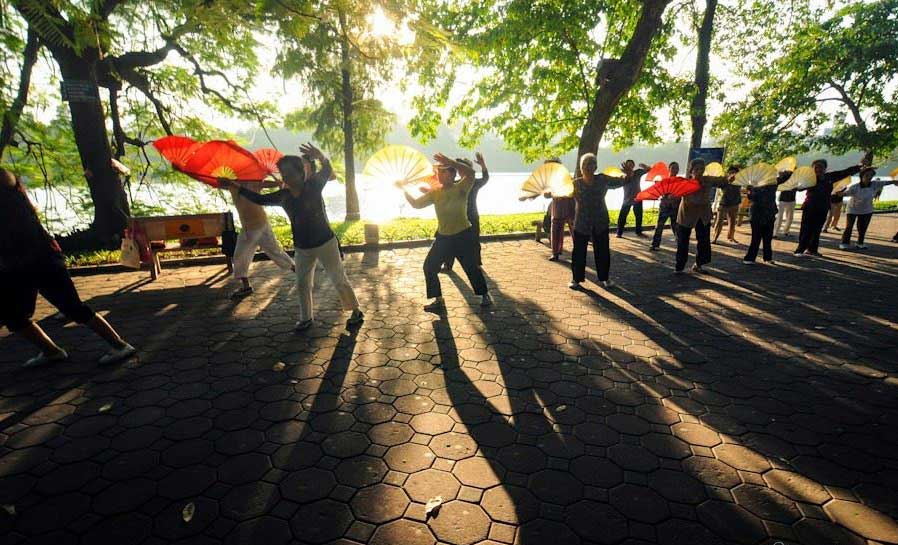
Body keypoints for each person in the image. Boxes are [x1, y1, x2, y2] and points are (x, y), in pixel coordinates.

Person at [0, 168, 136, 368]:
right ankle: (51, 351)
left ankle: (119, 345)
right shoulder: (17, 198)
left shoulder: (9, 200)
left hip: (32, 262)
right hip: (29, 262)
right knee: (15, 315)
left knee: (68, 308)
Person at [220, 143, 363, 330]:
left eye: (290, 173)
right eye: (284, 173)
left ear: (301, 173)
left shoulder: (313, 185)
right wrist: (235, 186)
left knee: (338, 278)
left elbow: (327, 170)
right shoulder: (283, 195)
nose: (287, 177)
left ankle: (356, 311)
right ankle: (306, 318)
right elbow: (259, 199)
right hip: (302, 247)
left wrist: (320, 156)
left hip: (325, 243)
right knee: (302, 283)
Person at [398, 153, 491, 311]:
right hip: (443, 238)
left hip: (463, 235)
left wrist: (450, 161)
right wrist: (403, 189)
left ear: (451, 173)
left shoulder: (461, 188)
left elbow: (471, 173)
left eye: (442, 172)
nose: (438, 175)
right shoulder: (435, 192)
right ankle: (438, 300)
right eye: (438, 172)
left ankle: (484, 295)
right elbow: (415, 204)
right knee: (429, 267)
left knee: (471, 267)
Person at [794, 153, 871, 257]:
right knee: (806, 229)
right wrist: (798, 186)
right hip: (810, 207)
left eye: (821, 167)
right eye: (816, 167)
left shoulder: (829, 177)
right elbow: (799, 188)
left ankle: (812, 250)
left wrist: (859, 166)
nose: (818, 169)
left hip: (823, 207)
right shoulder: (809, 179)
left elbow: (845, 172)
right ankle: (799, 250)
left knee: (817, 230)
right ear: (812, 168)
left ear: (825, 168)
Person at [228, 181, 295, 300]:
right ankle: (246, 287)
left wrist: (279, 183)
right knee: (239, 256)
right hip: (247, 228)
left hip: (262, 224)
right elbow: (213, 181)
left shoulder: (253, 181)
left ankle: (299, 272)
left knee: (275, 251)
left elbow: (269, 184)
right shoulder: (231, 184)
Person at [570, 153, 625, 289]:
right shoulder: (575, 184)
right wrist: (542, 193)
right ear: (581, 167)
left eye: (591, 163)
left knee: (602, 251)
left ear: (596, 166)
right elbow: (559, 193)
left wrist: (628, 175)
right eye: (585, 164)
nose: (588, 167)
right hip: (581, 222)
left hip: (600, 221)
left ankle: (604, 278)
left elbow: (621, 182)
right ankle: (576, 279)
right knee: (578, 252)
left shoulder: (602, 179)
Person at [675, 159, 731, 274]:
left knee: (704, 241)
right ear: (691, 171)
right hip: (686, 214)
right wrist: (670, 197)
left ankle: (699, 264)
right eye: (697, 169)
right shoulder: (685, 183)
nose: (699, 171)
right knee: (683, 242)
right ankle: (679, 267)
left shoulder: (708, 180)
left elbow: (722, 181)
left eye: (702, 169)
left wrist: (728, 179)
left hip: (703, 215)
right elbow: (674, 193)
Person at [442, 152, 489, 271]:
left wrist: (483, 165)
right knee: (451, 240)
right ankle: (448, 264)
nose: (460, 171)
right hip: (457, 216)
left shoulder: (474, 182)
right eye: (459, 168)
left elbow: (485, 178)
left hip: (472, 215)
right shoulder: (455, 183)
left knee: (474, 240)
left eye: (462, 168)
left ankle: (476, 263)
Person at [839, 168, 896, 250]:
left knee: (862, 227)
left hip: (867, 209)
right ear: (862, 176)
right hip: (853, 209)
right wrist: (840, 194)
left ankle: (860, 243)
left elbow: (887, 182)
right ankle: (844, 243)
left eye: (871, 175)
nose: (869, 177)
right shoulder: (855, 187)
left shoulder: (875, 184)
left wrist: (894, 182)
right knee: (849, 227)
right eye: (867, 175)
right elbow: (845, 193)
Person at [743, 172, 791, 264]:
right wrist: (751, 189)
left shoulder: (772, 183)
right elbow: (751, 197)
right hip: (757, 214)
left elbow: (785, 178)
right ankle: (749, 258)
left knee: (768, 237)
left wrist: (785, 172)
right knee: (756, 238)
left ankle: (768, 257)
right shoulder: (753, 184)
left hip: (769, 213)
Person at [650, 161, 681, 251]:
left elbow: (682, 192)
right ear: (669, 169)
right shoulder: (664, 180)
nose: (675, 170)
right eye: (673, 168)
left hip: (675, 206)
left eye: (676, 168)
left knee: (676, 226)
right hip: (665, 206)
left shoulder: (680, 181)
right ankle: (655, 244)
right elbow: (659, 191)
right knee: (660, 225)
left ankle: (680, 244)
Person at [616, 159, 648, 238]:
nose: (630, 166)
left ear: (633, 166)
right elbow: (621, 180)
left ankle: (638, 232)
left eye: (631, 164)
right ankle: (619, 233)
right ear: (626, 166)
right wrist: (626, 172)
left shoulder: (637, 173)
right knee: (622, 216)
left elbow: (648, 169)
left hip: (637, 198)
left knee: (639, 216)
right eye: (628, 165)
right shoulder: (623, 176)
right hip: (627, 199)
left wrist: (642, 165)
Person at [712, 166, 742, 244]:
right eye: (731, 173)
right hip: (724, 204)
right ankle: (715, 237)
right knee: (719, 222)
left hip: (735, 204)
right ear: (728, 173)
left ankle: (731, 237)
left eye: (735, 173)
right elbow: (717, 184)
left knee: (732, 222)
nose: (733, 174)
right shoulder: (724, 180)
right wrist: (727, 180)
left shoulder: (740, 181)